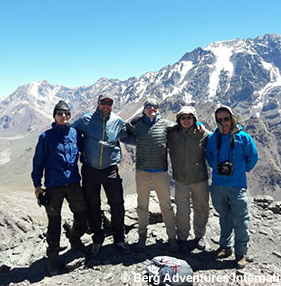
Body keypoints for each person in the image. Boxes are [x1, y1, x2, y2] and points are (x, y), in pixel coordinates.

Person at [31, 100, 88, 276]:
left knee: (82, 213)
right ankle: (53, 259)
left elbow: (85, 151)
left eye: (66, 114)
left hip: (73, 183)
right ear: (54, 116)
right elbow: (38, 162)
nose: (64, 116)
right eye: (60, 114)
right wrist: (37, 185)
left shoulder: (75, 134)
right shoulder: (45, 137)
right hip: (54, 186)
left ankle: (75, 239)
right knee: (54, 222)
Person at [73, 94, 131, 256]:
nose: (106, 105)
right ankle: (97, 238)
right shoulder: (86, 119)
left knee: (117, 203)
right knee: (93, 205)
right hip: (90, 169)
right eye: (103, 103)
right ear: (97, 103)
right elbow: (72, 131)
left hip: (110, 169)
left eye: (109, 103)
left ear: (112, 105)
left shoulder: (118, 122)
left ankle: (119, 238)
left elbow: (129, 136)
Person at [205, 105, 259, 269]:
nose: (223, 123)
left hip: (237, 186)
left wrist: (241, 171)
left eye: (226, 119)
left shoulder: (244, 138)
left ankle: (241, 253)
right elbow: (209, 155)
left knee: (241, 220)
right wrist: (217, 166)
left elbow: (253, 157)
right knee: (224, 217)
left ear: (232, 118)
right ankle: (225, 247)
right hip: (218, 185)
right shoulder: (213, 138)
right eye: (219, 120)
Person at [126, 98, 179, 253]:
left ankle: (172, 238)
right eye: (148, 107)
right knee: (142, 206)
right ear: (144, 109)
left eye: (154, 107)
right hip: (142, 172)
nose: (151, 109)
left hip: (161, 172)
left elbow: (180, 128)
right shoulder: (138, 125)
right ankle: (142, 236)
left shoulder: (166, 125)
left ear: (158, 109)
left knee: (166, 206)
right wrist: (137, 118)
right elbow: (127, 126)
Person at [167, 106, 210, 253]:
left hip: (200, 179)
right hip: (180, 180)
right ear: (179, 120)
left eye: (189, 118)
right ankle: (183, 238)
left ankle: (200, 236)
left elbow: (218, 138)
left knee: (201, 209)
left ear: (194, 119)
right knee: (182, 211)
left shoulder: (203, 134)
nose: (186, 120)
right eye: (183, 118)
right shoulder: (172, 134)